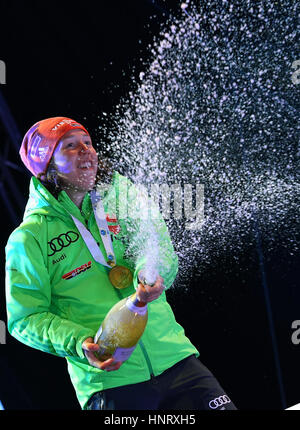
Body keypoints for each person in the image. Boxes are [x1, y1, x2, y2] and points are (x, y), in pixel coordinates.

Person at [5, 116, 237, 410]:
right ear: (47, 166)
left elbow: (160, 247)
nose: (86, 150)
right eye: (70, 146)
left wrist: (149, 272)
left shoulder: (121, 196)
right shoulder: (30, 238)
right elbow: (24, 318)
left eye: (87, 143)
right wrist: (79, 341)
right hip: (111, 385)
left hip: (175, 358)